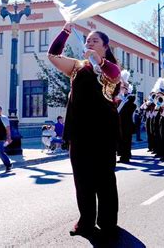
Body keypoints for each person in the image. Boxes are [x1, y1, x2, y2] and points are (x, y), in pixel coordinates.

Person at [48, 23, 121, 238]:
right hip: (79, 132)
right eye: (87, 40)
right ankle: (86, 221)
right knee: (82, 180)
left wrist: (98, 61)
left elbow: (114, 74)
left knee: (104, 179)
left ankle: (108, 222)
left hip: (103, 134)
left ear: (105, 47)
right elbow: (52, 55)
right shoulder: (77, 66)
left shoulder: (109, 68)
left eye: (95, 40)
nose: (89, 42)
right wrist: (65, 31)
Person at [117, 70, 137, 164]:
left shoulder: (129, 97)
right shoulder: (118, 97)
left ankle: (126, 156)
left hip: (127, 123)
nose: (121, 89)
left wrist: (125, 84)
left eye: (123, 87)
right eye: (121, 87)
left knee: (126, 140)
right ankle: (122, 155)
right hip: (119, 123)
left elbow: (132, 103)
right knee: (121, 140)